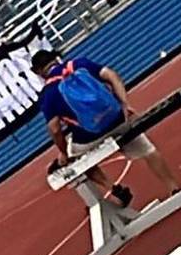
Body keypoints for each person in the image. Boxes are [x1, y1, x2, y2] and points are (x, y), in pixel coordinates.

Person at [32, 49, 180, 201]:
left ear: (39, 72)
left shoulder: (47, 94)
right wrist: (124, 105)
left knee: (77, 162)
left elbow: (55, 129)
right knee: (147, 149)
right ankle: (174, 187)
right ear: (55, 59)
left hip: (89, 137)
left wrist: (64, 153)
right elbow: (112, 76)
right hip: (117, 120)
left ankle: (112, 187)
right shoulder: (80, 64)